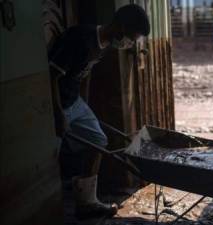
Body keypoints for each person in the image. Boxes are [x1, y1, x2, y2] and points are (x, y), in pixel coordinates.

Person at [48, 4, 150, 218]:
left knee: (98, 141)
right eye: (130, 36)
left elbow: (84, 75)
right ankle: (50, 210)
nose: (129, 43)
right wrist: (58, 115)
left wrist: (84, 105)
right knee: (51, 158)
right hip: (54, 103)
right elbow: (52, 76)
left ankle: (86, 202)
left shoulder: (103, 45)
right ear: (120, 26)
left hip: (75, 103)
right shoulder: (79, 38)